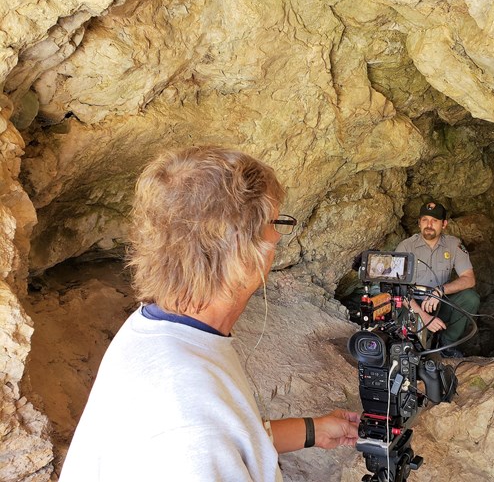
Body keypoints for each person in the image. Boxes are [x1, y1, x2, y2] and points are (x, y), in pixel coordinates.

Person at [59, 146, 360, 482]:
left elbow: (229, 434)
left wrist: (312, 430)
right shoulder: (189, 425)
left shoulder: (154, 326)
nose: (277, 237)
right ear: (240, 249)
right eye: (275, 223)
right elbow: (201, 438)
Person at [395, 201, 480, 358]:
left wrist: (440, 291)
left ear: (444, 224)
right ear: (419, 223)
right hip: (411, 305)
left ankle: (446, 344)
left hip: (437, 303)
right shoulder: (406, 247)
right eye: (425, 220)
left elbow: (469, 279)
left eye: (434, 221)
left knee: (470, 298)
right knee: (413, 337)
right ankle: (415, 343)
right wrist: (423, 316)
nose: (429, 225)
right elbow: (398, 290)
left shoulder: (453, 245)